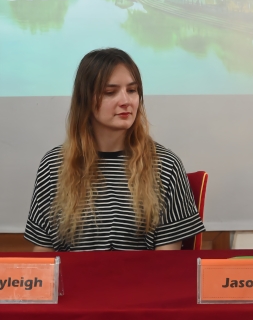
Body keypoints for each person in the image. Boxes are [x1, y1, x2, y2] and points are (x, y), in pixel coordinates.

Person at [25, 48, 205, 251]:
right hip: (72, 273)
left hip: (143, 273)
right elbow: (43, 258)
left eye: (132, 90)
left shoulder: (165, 165)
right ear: (85, 100)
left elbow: (167, 261)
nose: (126, 101)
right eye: (110, 92)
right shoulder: (53, 165)